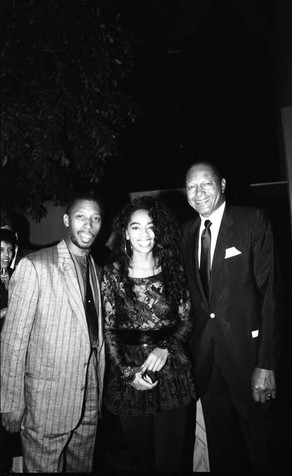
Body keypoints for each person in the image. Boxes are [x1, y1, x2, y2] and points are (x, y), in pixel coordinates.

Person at [182, 161, 282, 473]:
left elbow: (271, 296)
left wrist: (266, 364)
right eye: (191, 187)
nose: (198, 193)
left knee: (260, 449)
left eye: (206, 184)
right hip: (207, 364)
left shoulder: (252, 220)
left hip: (248, 360)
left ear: (223, 184)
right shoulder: (186, 233)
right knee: (221, 452)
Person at [0, 190, 106, 473]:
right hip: (46, 400)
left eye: (95, 218)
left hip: (89, 394)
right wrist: (10, 402)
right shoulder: (35, 265)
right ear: (66, 219)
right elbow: (13, 340)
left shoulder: (96, 267)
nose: (88, 225)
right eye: (81, 217)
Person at [101, 195, 196, 472]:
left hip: (172, 372)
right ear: (126, 233)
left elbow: (187, 320)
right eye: (136, 227)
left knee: (172, 459)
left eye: (151, 226)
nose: (144, 234)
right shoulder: (114, 273)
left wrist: (165, 346)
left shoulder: (174, 269)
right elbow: (109, 329)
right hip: (129, 372)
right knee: (140, 460)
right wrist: (127, 373)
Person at [0, 228, 22, 473]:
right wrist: (7, 311)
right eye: (0, 251)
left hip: (14, 354)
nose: (6, 255)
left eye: (9, 250)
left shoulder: (17, 275)